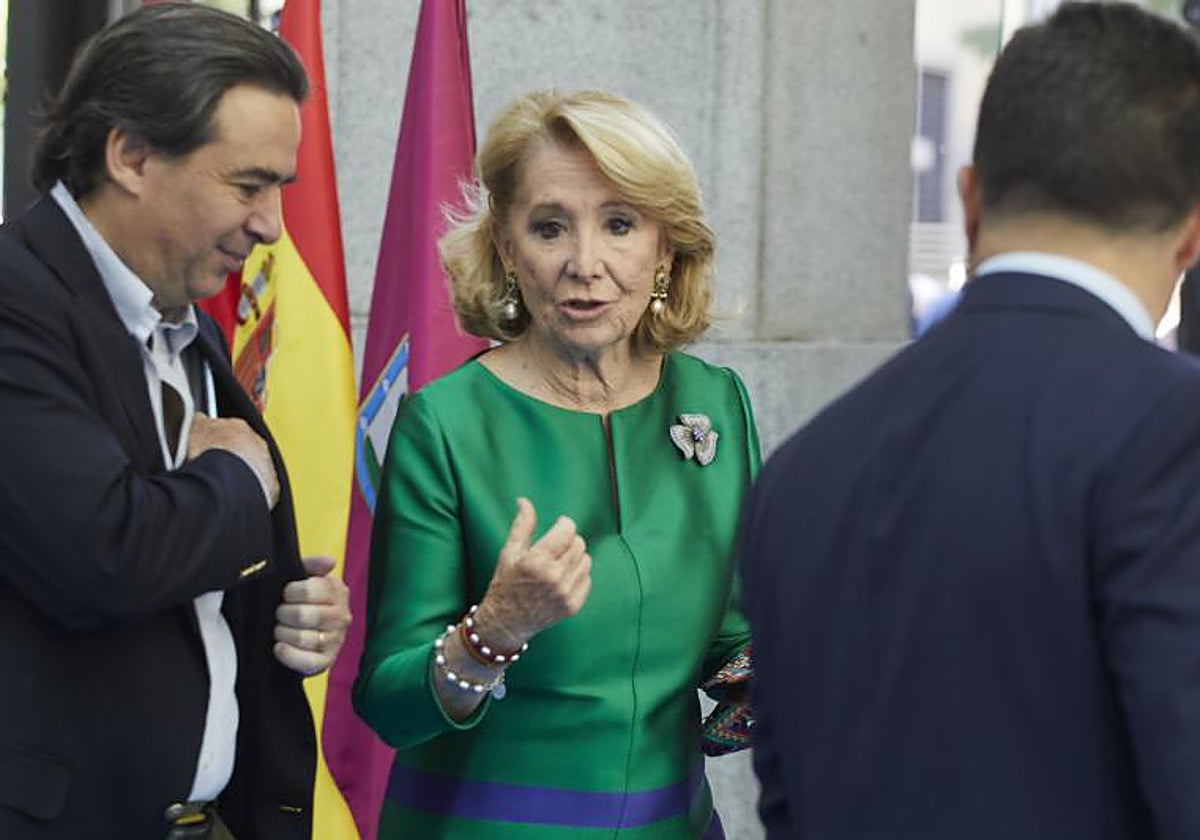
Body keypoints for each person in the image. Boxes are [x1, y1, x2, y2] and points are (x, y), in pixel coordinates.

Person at [739, 3, 1200, 838]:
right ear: (1191, 234)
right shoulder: (1175, 432)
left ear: (970, 199)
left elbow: (787, 806)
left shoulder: (800, 469)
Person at [354, 89, 758, 838]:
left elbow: (731, 644)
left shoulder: (716, 403)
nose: (584, 264)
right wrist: (494, 630)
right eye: (548, 228)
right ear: (506, 247)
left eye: (619, 224)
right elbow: (388, 703)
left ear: (665, 245)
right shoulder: (444, 423)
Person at [0, 4, 351, 837]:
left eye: (279, 188)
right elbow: (103, 555)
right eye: (248, 183)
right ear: (131, 154)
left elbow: (179, 577)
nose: (270, 224)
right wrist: (237, 478)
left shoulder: (182, 330)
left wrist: (283, 610)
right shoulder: (17, 301)